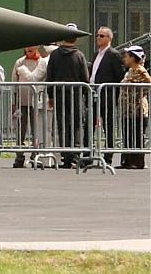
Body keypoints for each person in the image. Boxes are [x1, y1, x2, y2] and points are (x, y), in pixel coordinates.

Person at [45, 26, 89, 168]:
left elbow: (50, 77)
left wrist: (50, 95)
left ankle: (66, 158)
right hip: (76, 96)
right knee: (76, 125)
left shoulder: (54, 55)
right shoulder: (79, 55)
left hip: (59, 95)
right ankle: (76, 156)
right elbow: (85, 78)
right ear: (75, 38)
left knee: (62, 125)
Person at [89, 26, 126, 163]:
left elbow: (119, 76)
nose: (98, 38)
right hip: (94, 95)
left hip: (107, 97)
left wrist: (113, 94)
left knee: (108, 127)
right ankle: (88, 156)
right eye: (97, 35)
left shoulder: (113, 54)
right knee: (89, 125)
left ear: (109, 38)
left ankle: (108, 157)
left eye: (101, 36)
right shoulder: (96, 54)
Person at [11, 46, 49, 167]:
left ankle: (35, 156)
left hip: (36, 102)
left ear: (37, 48)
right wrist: (14, 101)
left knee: (36, 130)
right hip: (21, 101)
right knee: (20, 131)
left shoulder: (42, 62)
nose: (29, 50)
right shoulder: (20, 62)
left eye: (32, 48)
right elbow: (13, 82)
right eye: (27, 49)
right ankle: (19, 157)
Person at [118, 46, 149, 169]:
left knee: (136, 135)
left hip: (137, 109)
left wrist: (140, 94)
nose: (125, 58)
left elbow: (148, 83)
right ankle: (128, 161)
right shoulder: (130, 70)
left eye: (127, 55)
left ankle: (138, 162)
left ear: (133, 57)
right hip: (127, 109)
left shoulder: (140, 70)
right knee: (128, 134)